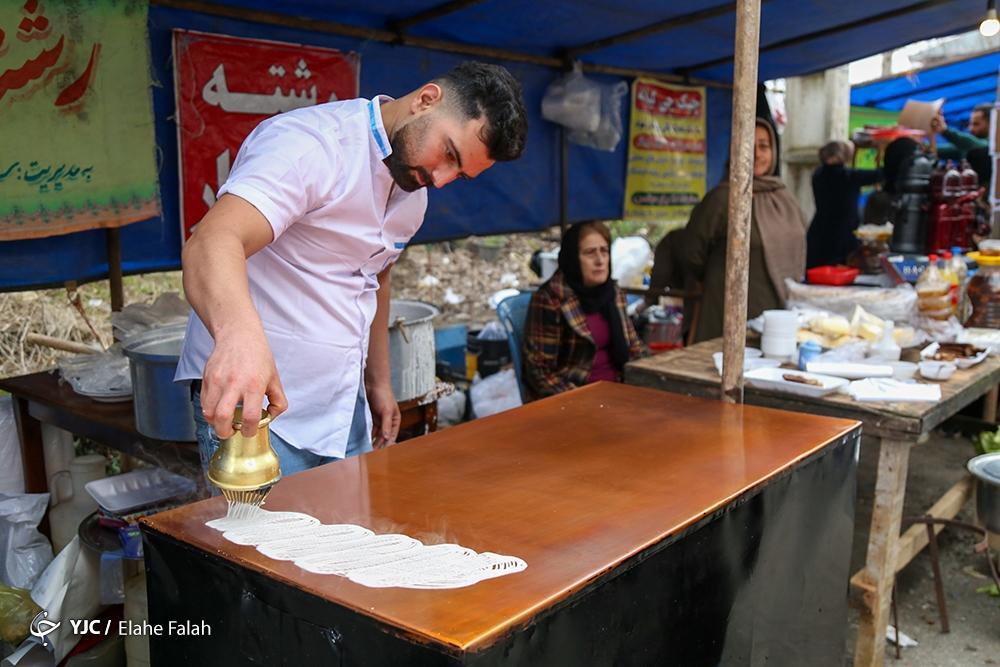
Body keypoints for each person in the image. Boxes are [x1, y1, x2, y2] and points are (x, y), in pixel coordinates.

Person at [176, 62, 528, 477]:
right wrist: (238, 337)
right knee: (259, 524)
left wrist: (378, 381)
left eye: (460, 174)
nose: (441, 179)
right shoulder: (312, 146)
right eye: (449, 153)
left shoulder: (413, 193)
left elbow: (375, 274)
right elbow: (214, 240)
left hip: (342, 409)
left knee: (345, 521)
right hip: (258, 408)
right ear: (426, 100)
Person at [681, 117, 807, 343]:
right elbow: (691, 253)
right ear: (734, 150)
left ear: (773, 151)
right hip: (728, 315)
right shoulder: (722, 199)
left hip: (779, 316)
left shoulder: (784, 197)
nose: (757, 154)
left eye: (764, 146)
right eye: (749, 145)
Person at [523, 221, 645, 398]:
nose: (600, 261)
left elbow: (634, 347)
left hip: (620, 388)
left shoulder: (613, 293)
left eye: (604, 251)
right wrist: (583, 401)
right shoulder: (551, 299)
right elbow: (540, 372)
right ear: (572, 258)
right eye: (590, 253)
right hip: (574, 396)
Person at [806, 140, 880, 267]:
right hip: (843, 235)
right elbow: (878, 175)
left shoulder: (817, 175)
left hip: (819, 231)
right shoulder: (848, 176)